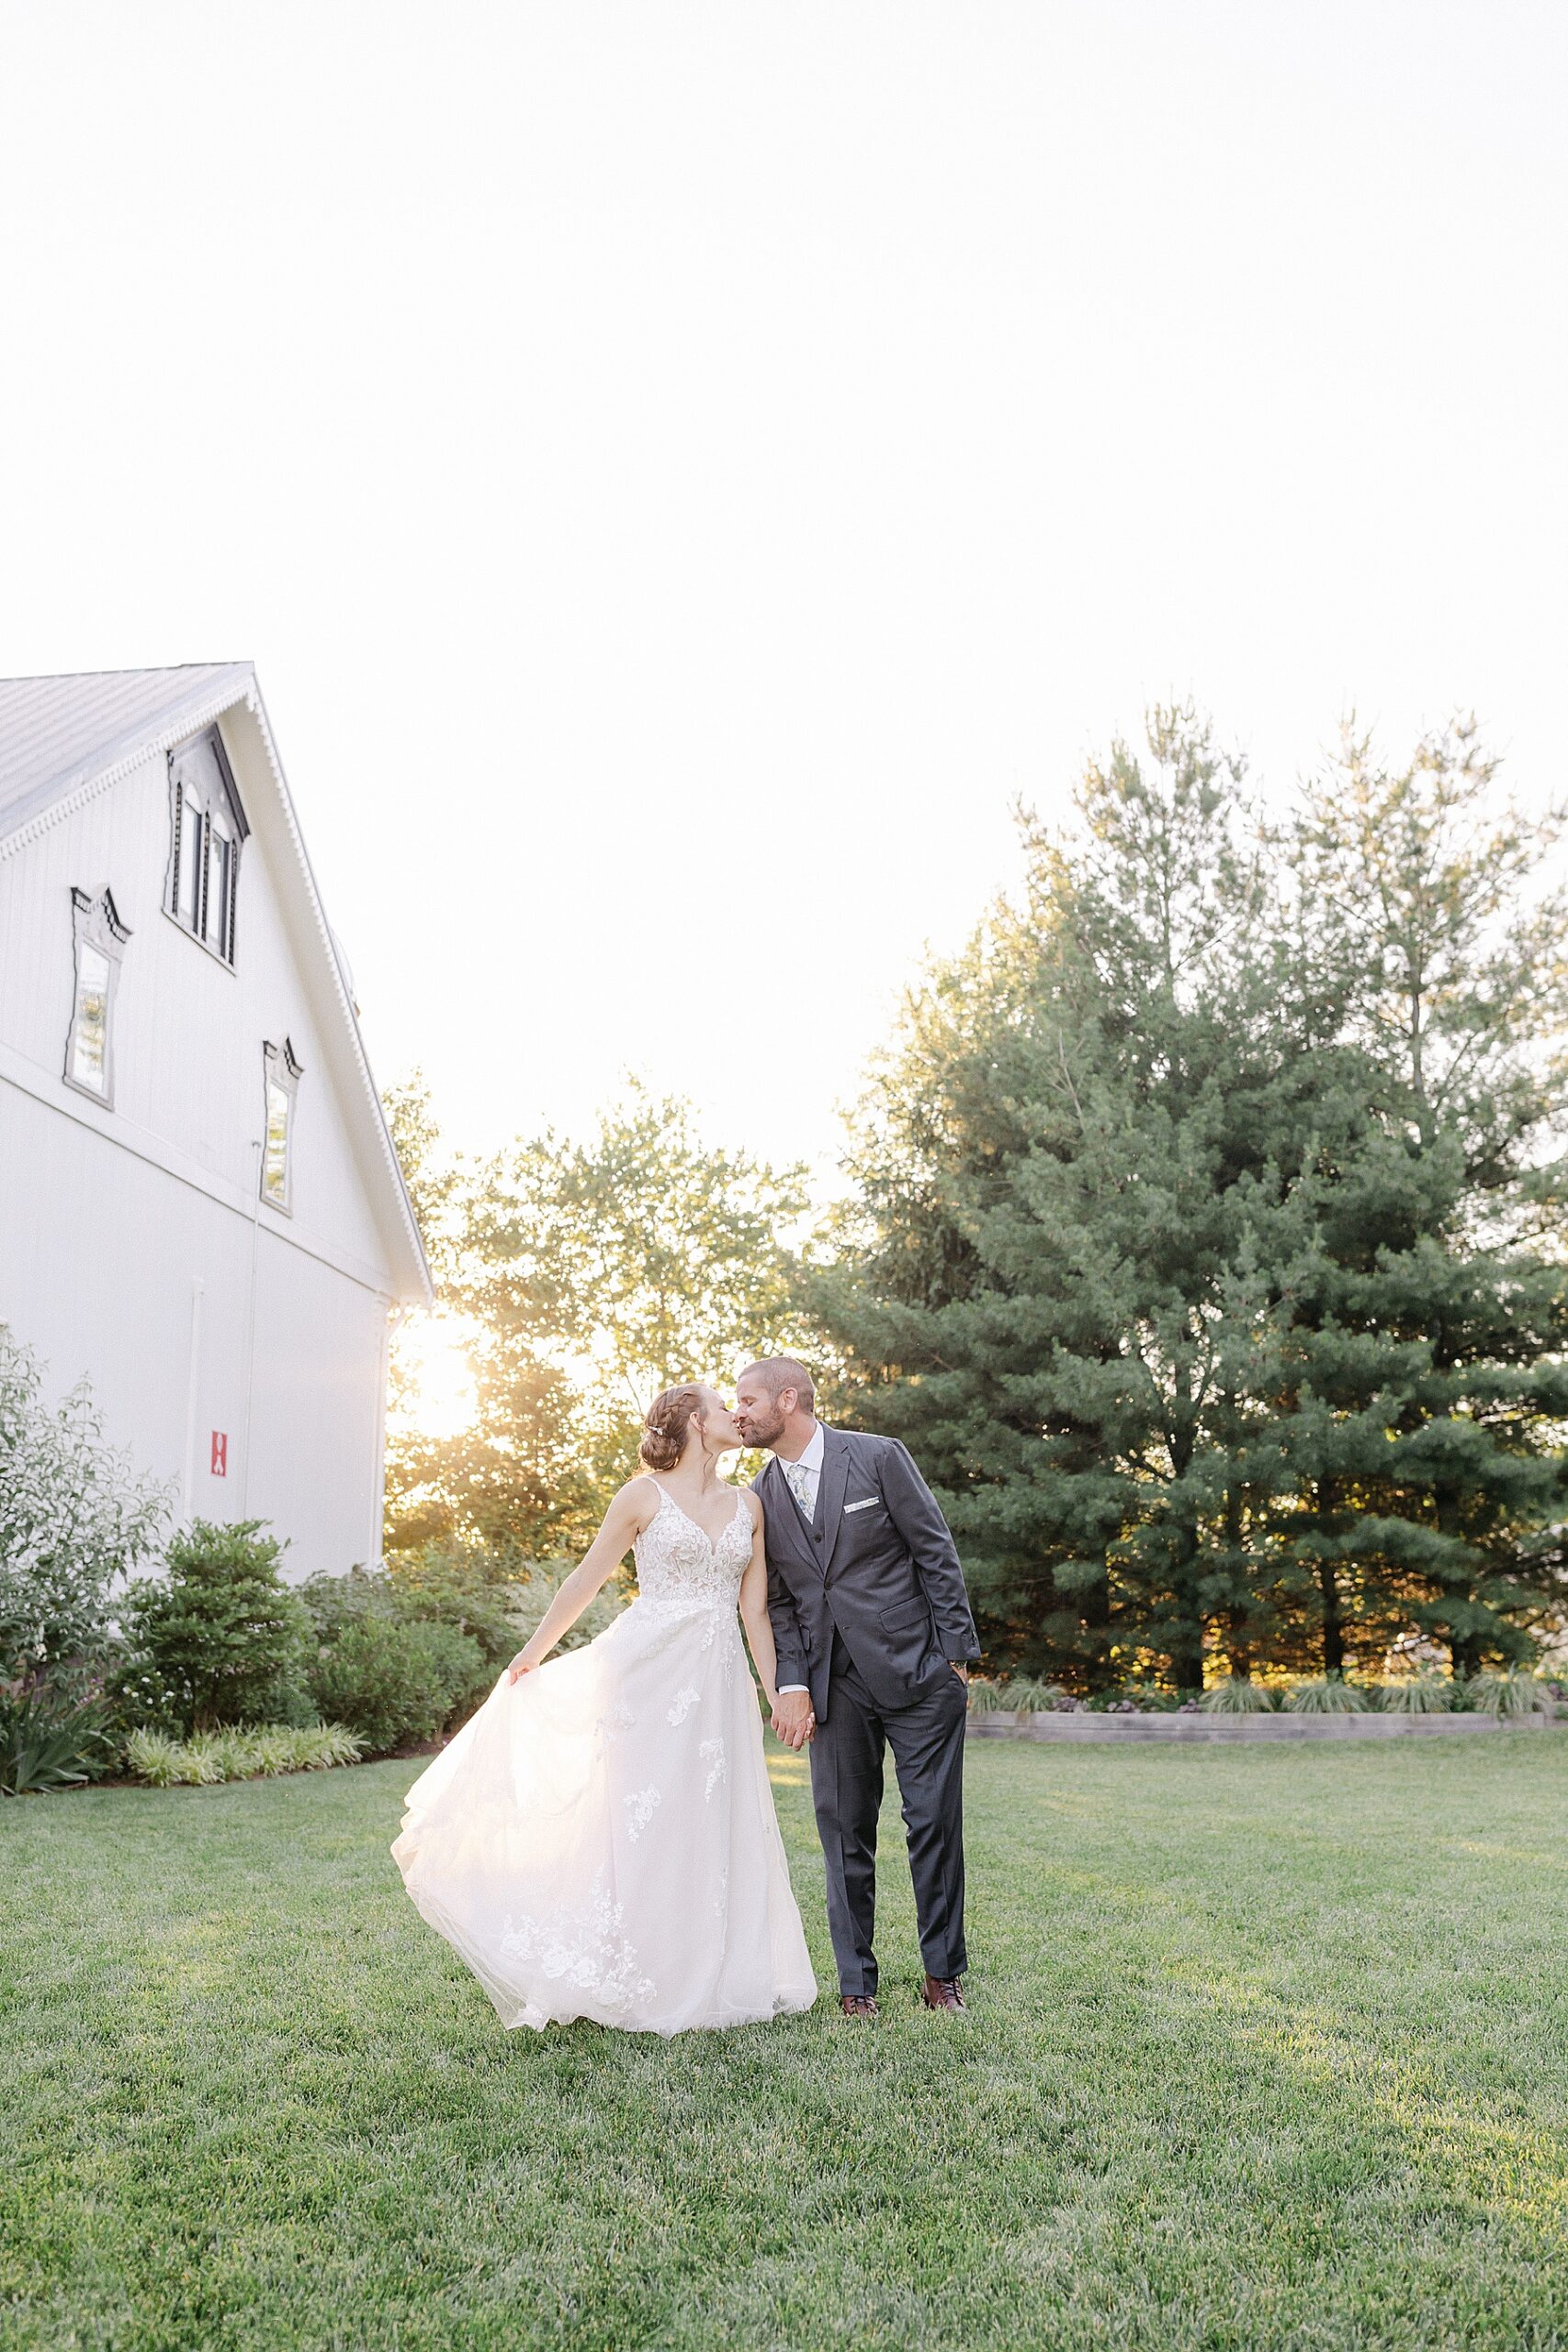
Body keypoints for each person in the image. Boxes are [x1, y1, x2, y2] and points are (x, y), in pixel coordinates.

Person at [390, 1384, 818, 2035]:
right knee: (639, 1818)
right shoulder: (640, 1495)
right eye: (719, 1405)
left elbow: (753, 1611)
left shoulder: (749, 1505)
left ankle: (708, 1970)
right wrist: (528, 1656)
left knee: (710, 1816)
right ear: (695, 1425)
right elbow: (585, 1581)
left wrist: (780, 1694)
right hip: (642, 1673)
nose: (736, 1414)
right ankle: (630, 1970)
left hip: (717, 1682)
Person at [735, 1358, 980, 2016]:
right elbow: (781, 1603)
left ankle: (942, 1976)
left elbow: (934, 1550)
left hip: (919, 1674)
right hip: (831, 1688)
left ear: (788, 1400)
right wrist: (792, 1685)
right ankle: (855, 1986)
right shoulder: (760, 1495)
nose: (739, 1413)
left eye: (748, 1400)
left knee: (931, 1823)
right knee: (842, 1832)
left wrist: (956, 1658)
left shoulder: (876, 1457)